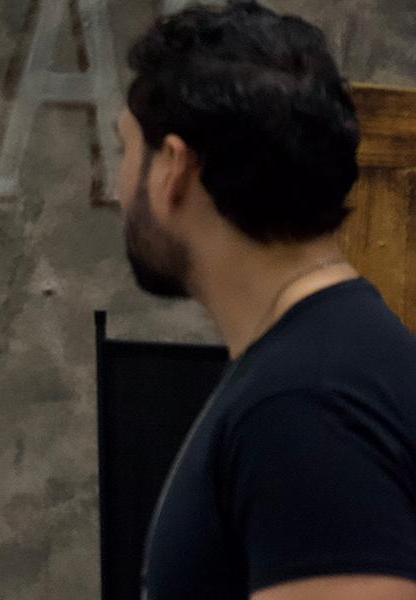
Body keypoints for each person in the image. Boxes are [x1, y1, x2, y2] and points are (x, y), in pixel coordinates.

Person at [114, 2, 416, 599]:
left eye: (125, 150)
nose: (118, 188)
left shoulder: (307, 404)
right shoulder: (334, 366)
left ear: (173, 167)